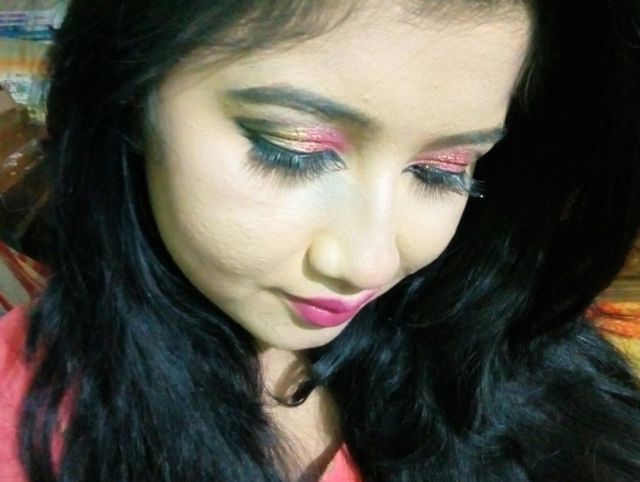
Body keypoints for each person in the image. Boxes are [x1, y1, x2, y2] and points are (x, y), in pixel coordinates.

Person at [1, 0, 639, 481]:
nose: (370, 263)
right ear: (132, 98)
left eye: (442, 170)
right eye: (294, 151)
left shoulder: (512, 332)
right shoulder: (25, 428)